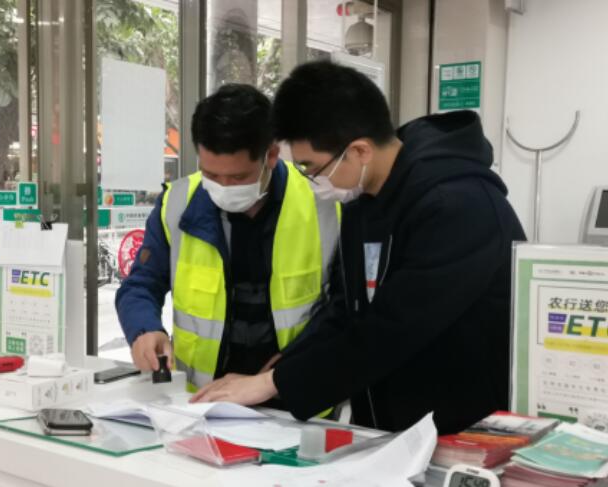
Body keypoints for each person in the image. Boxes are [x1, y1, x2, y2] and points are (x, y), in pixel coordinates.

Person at [192, 61, 526, 435]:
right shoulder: (363, 201)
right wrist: (279, 369)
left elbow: (393, 328)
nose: (310, 180)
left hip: (465, 430)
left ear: (359, 151)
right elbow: (346, 309)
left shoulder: (459, 206)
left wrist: (273, 383)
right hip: (389, 425)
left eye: (311, 168)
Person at [115, 84, 340, 393]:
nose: (223, 187)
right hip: (203, 401)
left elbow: (344, 312)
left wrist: (279, 376)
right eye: (211, 174)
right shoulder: (177, 203)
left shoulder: (324, 205)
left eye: (238, 177)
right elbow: (141, 285)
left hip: (294, 397)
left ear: (271, 155)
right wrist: (144, 330)